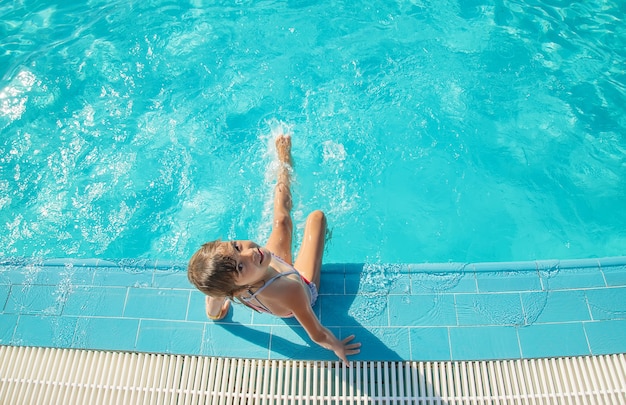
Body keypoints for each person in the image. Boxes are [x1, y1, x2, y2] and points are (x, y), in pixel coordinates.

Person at [188, 133, 360, 364]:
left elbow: (214, 297)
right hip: (300, 284)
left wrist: (215, 314)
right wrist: (336, 346)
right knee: (316, 219)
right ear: (238, 291)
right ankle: (321, 236)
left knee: (282, 221)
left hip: (265, 271)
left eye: (237, 246)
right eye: (240, 266)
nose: (250, 252)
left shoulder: (223, 286)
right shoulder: (290, 291)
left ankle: (283, 164)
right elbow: (316, 333)